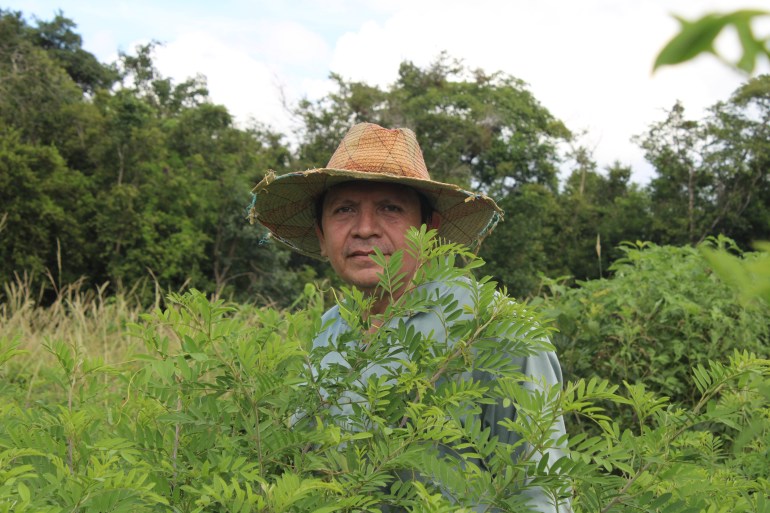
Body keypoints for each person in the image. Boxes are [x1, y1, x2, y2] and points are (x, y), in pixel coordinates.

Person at [250, 122, 571, 512]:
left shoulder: (496, 327)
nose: (364, 229)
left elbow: (540, 492)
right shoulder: (331, 328)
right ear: (320, 233)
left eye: (390, 208)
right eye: (344, 210)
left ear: (429, 229)